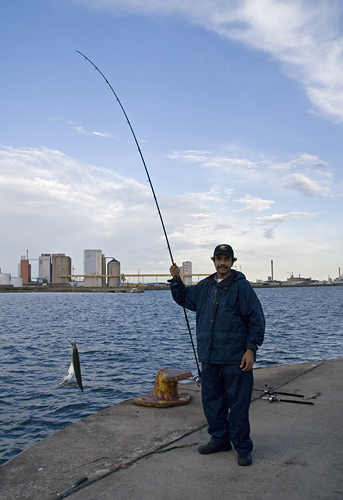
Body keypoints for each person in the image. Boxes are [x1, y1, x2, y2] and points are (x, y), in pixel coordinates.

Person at [169, 244, 265, 466]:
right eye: (219, 259)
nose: (222, 263)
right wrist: (176, 281)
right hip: (209, 357)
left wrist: (251, 349)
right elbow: (185, 299)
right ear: (213, 261)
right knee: (212, 401)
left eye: (226, 259)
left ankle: (242, 446)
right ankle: (219, 439)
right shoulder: (205, 286)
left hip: (235, 357)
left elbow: (257, 320)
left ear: (232, 262)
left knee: (239, 405)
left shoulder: (242, 287)